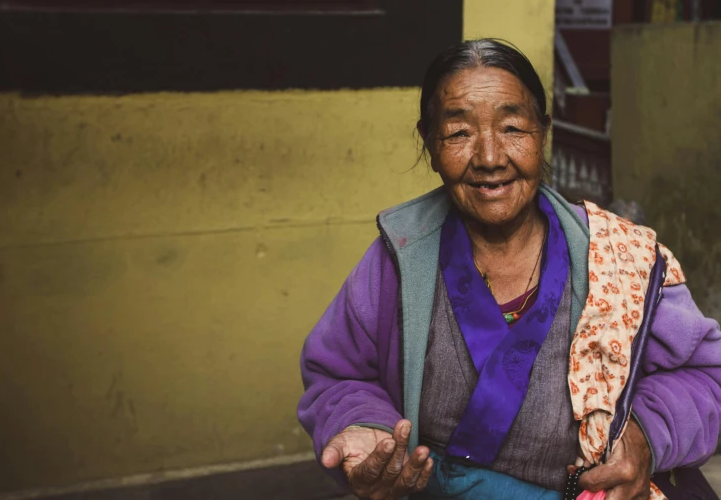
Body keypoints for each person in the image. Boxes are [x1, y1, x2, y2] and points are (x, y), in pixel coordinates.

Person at [298, 39, 721, 500]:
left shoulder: (619, 257)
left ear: (543, 132)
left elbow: (708, 376)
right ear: (429, 143)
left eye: (514, 128)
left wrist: (647, 436)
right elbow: (339, 374)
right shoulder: (399, 259)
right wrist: (363, 425)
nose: (490, 158)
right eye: (459, 133)